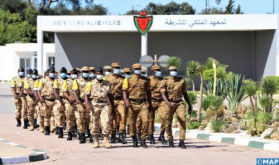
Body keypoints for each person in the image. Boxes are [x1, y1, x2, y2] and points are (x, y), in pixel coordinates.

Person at [159, 66, 192, 148]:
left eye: (175, 70)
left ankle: (181, 140)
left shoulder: (181, 81)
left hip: (179, 103)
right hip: (169, 103)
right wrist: (167, 102)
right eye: (172, 70)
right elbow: (163, 94)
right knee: (167, 122)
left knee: (183, 120)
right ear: (169, 72)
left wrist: (189, 104)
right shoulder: (165, 81)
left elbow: (185, 93)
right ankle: (170, 140)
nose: (173, 72)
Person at [122, 63, 151, 148]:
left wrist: (150, 103)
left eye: (139, 68)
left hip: (143, 103)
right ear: (133, 69)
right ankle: (134, 138)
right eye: (136, 69)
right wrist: (126, 101)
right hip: (132, 103)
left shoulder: (146, 80)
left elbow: (148, 92)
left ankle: (143, 139)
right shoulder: (128, 79)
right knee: (132, 122)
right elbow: (124, 91)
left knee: (146, 121)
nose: (138, 70)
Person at [85, 67, 115, 148]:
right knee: (94, 123)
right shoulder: (90, 83)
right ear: (95, 74)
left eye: (101, 73)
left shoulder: (107, 83)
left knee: (106, 122)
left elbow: (110, 95)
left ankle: (106, 141)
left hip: (105, 105)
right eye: (98, 74)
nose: (100, 75)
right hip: (94, 105)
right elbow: (86, 96)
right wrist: (87, 105)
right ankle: (96, 140)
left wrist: (113, 106)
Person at [105, 62, 127, 144]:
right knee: (111, 117)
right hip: (111, 100)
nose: (117, 69)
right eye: (115, 68)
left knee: (123, 116)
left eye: (118, 68)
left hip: (120, 100)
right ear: (112, 68)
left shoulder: (123, 78)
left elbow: (125, 90)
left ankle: (121, 134)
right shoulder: (106, 78)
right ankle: (113, 135)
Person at [148, 65, 166, 144]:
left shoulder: (162, 80)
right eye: (157, 70)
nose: (159, 71)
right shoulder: (149, 80)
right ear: (153, 71)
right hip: (151, 101)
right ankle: (150, 135)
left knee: (164, 118)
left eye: (159, 70)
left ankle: (162, 135)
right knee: (150, 120)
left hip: (161, 101)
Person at [37, 67, 57, 135]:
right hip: (46, 100)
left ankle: (52, 126)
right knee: (46, 115)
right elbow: (38, 90)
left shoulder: (56, 80)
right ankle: (47, 129)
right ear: (48, 73)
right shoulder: (43, 80)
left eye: (53, 72)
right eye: (51, 72)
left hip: (54, 100)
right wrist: (40, 97)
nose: (52, 73)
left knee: (54, 114)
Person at [76, 66, 91, 143]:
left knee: (90, 119)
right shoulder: (77, 81)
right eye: (84, 72)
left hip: (90, 102)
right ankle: (82, 135)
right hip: (81, 102)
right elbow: (75, 91)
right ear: (81, 72)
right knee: (80, 119)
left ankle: (91, 135)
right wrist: (77, 99)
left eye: (87, 72)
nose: (86, 73)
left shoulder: (91, 81)